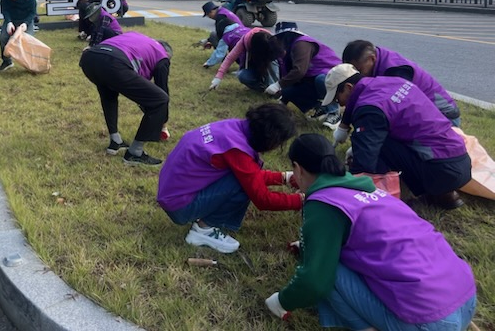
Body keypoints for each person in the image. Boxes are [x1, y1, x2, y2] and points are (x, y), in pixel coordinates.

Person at [265, 133, 476, 329]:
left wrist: (280, 302)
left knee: (330, 269)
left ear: (298, 168)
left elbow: (315, 281)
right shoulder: (369, 189)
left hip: (430, 320)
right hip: (465, 298)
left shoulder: (323, 203)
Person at [157, 103, 302, 254]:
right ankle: (204, 230)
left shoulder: (234, 127)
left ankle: (205, 222)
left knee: (240, 179)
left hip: (173, 193)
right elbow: (262, 198)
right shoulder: (237, 150)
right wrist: (302, 200)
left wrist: (284, 177)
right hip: (180, 206)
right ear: (270, 138)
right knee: (242, 184)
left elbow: (248, 173)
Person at [322, 63, 472, 209]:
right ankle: (445, 194)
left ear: (348, 88)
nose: (340, 104)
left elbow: (364, 163)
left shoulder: (370, 108)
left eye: (337, 98)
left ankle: (382, 195)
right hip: (462, 159)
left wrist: (342, 185)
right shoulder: (392, 82)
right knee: (379, 138)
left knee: (377, 146)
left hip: (441, 170)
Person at [79, 31, 171, 166]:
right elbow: (162, 92)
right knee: (160, 99)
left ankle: (115, 141)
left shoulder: (139, 37)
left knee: (108, 93)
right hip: (114, 62)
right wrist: (163, 122)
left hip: (90, 58)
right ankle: (135, 153)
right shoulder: (162, 56)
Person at [341, 39, 460, 125]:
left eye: (360, 70)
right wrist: (344, 123)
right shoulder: (377, 60)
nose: (359, 76)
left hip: (445, 117)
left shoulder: (395, 71)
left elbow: (394, 112)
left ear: (372, 59)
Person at [245, 25, 342, 128]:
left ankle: (334, 112)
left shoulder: (301, 44)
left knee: (321, 80)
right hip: (313, 80)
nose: (278, 41)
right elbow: (289, 78)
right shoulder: (287, 52)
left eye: (280, 38)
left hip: (335, 78)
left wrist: (278, 85)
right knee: (288, 91)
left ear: (288, 36)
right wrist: (282, 98)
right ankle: (319, 109)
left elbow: (299, 71)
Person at [208, 27, 276, 92]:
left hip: (270, 63)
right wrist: (218, 77)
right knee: (242, 75)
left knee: (272, 64)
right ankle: (263, 88)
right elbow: (230, 57)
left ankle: (274, 89)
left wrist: (278, 85)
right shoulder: (245, 41)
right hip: (255, 65)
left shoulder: (272, 40)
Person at [0, 0, 37, 71]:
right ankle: (7, 61)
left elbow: (33, 12)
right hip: (12, 19)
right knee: (3, 38)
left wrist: (26, 23)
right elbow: (4, 9)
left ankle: (30, 64)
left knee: (28, 41)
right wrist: (9, 22)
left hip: (26, 19)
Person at [201, 0, 245, 68]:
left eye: (208, 15)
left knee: (215, 37)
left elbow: (221, 47)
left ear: (211, 11)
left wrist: (208, 64)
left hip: (238, 40)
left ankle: (229, 62)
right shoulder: (224, 11)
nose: (209, 17)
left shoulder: (220, 18)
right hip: (244, 34)